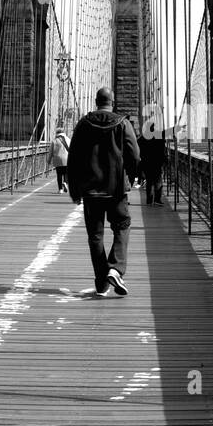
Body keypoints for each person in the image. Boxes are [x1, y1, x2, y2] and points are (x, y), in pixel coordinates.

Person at [67, 87, 140, 298]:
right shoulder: (123, 123)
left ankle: (101, 281)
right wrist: (131, 178)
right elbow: (134, 155)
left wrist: (74, 189)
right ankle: (115, 269)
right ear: (113, 101)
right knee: (122, 226)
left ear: (95, 101)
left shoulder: (83, 124)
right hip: (116, 189)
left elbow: (73, 159)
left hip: (91, 191)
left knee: (95, 236)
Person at [137, 124, 167, 205]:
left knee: (149, 181)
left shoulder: (142, 139)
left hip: (146, 162)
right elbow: (163, 150)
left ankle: (149, 200)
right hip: (157, 162)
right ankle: (157, 200)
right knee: (158, 181)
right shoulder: (159, 137)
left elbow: (138, 149)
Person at [51, 126, 70, 193]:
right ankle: (65, 182)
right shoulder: (68, 139)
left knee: (59, 174)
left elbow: (51, 151)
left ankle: (60, 189)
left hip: (57, 159)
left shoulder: (54, 140)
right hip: (67, 158)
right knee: (66, 173)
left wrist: (48, 160)